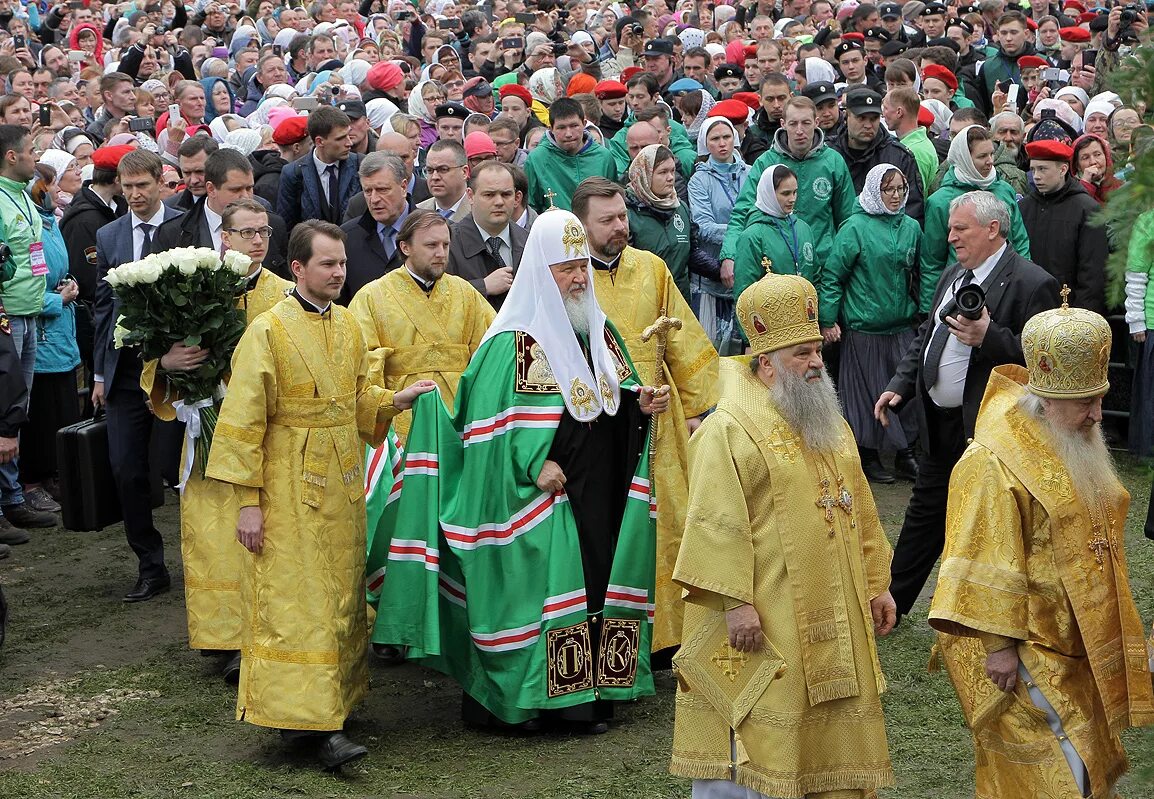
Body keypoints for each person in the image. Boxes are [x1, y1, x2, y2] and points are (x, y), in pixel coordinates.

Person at [372, 210, 670, 734]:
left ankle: (587, 697)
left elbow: (609, 399)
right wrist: (535, 464)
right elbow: (486, 431)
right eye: (564, 268)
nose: (579, 277)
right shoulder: (509, 343)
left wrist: (638, 405)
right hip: (537, 495)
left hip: (596, 488)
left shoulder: (600, 330)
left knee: (595, 588)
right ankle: (521, 701)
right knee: (539, 597)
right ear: (539, 270)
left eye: (582, 265)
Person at [204, 220, 435, 769]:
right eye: (327, 264)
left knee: (340, 596)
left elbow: (357, 399)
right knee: (296, 602)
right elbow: (242, 420)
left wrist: (395, 400)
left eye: (342, 263)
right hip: (284, 487)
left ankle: (338, 701)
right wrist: (249, 502)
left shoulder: (351, 325)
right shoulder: (268, 330)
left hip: (342, 485)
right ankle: (303, 723)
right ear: (298, 268)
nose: (338, 272)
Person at [670, 272, 896, 799]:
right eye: (801, 353)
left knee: (833, 734)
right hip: (767, 612)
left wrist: (876, 582)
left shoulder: (828, 421)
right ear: (766, 362)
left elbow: (858, 508)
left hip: (836, 608)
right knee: (762, 725)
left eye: (817, 348)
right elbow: (711, 522)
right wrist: (735, 604)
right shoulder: (730, 428)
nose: (817, 362)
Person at [929, 304, 1154, 797]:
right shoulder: (992, 460)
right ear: (1046, 399)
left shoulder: (1073, 439)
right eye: (1086, 403)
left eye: (1099, 399)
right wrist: (999, 648)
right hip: (1025, 650)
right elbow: (981, 556)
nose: (1098, 414)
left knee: (1087, 762)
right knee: (1050, 770)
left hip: (1079, 643)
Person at [875, 191, 1059, 620]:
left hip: (991, 430)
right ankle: (891, 605)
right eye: (951, 228)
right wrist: (901, 383)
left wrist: (989, 337)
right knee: (924, 514)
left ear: (992, 229)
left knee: (990, 522)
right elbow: (927, 334)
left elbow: (1045, 361)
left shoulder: (1033, 283)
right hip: (939, 421)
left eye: (961, 228)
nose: (951, 236)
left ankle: (995, 615)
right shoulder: (955, 274)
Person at [142, 199, 291, 681]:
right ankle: (223, 635)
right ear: (223, 238)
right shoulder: (196, 290)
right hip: (208, 430)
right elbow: (157, 359)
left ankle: (267, 627)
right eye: (246, 233)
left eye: (264, 233)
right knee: (212, 533)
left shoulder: (288, 295)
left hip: (270, 433)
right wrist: (167, 365)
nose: (256, 242)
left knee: (266, 532)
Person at [572, 176, 718, 657]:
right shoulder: (571, 277)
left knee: (669, 518)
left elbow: (682, 335)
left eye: (622, 217)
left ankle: (668, 634)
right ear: (581, 224)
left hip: (660, 416)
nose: (620, 227)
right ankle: (616, 632)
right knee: (614, 521)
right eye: (607, 220)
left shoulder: (651, 268)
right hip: (600, 422)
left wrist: (700, 408)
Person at [94, 149, 184, 601]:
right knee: (126, 469)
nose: (134, 195)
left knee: (177, 469)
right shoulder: (108, 235)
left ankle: (209, 559)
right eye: (127, 188)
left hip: (177, 373)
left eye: (142, 186)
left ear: (160, 182)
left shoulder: (184, 226)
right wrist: (97, 374)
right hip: (126, 374)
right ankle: (151, 564)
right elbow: (103, 309)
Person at [350, 209, 494, 442]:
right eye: (431, 245)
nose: (441, 253)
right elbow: (360, 362)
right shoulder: (371, 297)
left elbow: (492, 348)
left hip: (461, 414)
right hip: (403, 415)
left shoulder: (466, 293)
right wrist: (389, 399)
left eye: (445, 245)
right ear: (405, 248)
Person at [820, 164, 922, 484]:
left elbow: (921, 273)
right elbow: (833, 276)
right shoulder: (855, 227)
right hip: (864, 325)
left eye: (900, 189)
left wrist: (925, 310)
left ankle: (906, 455)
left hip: (901, 323)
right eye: (887, 189)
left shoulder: (911, 228)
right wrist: (828, 318)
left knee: (905, 390)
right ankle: (868, 456)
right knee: (864, 395)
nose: (895, 196)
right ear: (874, 190)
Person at [720, 98, 856, 280]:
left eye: (806, 123)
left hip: (824, 268)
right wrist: (729, 254)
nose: (799, 130)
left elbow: (847, 219)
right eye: (793, 124)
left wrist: (841, 262)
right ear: (783, 124)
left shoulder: (833, 161)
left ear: (816, 122)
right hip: (775, 268)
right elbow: (743, 211)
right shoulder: (766, 162)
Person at [0, 125, 56, 537]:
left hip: (29, 312)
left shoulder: (24, 195)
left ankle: (12, 499)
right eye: (31, 150)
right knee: (3, 407)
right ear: (10, 157)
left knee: (16, 410)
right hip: (7, 318)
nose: (37, 156)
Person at [918, 125, 1031, 315]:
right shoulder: (940, 201)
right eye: (981, 157)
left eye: (991, 154)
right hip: (962, 293)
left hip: (1005, 288)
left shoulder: (1004, 191)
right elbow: (932, 261)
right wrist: (931, 310)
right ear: (964, 158)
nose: (990, 162)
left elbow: (1020, 241)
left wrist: (1025, 284)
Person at [21, 164, 79, 509]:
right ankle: (31, 483)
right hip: (40, 333)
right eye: (52, 183)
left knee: (60, 410)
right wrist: (58, 299)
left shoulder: (49, 222)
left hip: (60, 333)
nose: (58, 190)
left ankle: (54, 476)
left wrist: (68, 284)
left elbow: (54, 268)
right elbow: (23, 286)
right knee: (38, 416)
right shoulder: (31, 228)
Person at [152, 148, 288, 276]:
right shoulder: (172, 233)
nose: (246, 196)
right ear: (211, 189)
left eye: (249, 188)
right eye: (236, 190)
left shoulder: (273, 225)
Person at [59, 144, 129, 377]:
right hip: (97, 318)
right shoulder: (85, 219)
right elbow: (89, 277)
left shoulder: (115, 208)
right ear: (117, 179)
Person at [1018, 139, 1107, 315]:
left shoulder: (1086, 209)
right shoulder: (1023, 208)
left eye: (1043, 169)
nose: (1036, 176)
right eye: (1033, 169)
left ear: (1063, 169)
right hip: (1028, 308)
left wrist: (1081, 316)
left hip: (1070, 310)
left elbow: (1093, 272)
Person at [688, 117, 748, 353]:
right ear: (705, 144)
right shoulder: (699, 180)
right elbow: (703, 225)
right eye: (715, 139)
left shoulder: (750, 174)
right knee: (712, 349)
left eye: (726, 137)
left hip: (747, 269)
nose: (722, 143)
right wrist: (744, 233)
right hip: (711, 276)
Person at [828, 88, 925, 223]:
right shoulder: (829, 154)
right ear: (846, 115)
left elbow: (912, 210)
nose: (868, 125)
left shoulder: (899, 156)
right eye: (861, 118)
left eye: (874, 119)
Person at [732, 166, 818, 309]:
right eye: (785, 194)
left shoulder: (803, 228)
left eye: (795, 192)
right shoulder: (752, 236)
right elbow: (744, 295)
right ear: (769, 193)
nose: (792, 199)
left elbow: (816, 275)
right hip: (772, 325)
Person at [446, 161, 528, 310]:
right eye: (489, 195)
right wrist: (483, 287)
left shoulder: (529, 241)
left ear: (517, 198)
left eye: (506, 194)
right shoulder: (448, 244)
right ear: (470, 196)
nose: (499, 202)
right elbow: (436, 298)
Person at [625, 145, 695, 303]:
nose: (671, 177)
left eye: (672, 171)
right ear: (645, 174)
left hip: (681, 301)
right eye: (663, 172)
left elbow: (692, 254)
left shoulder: (680, 207)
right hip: (644, 303)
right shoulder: (627, 213)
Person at [524, 98, 618, 212]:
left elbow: (613, 201)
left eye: (574, 126)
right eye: (561, 127)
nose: (568, 134)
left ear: (584, 124)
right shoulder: (537, 159)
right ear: (551, 128)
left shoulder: (604, 157)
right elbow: (530, 206)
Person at [277, 106, 363, 230]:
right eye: (340, 138)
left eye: (348, 135)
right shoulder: (293, 173)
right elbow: (287, 227)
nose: (349, 143)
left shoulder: (361, 165)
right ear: (320, 141)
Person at [339, 153, 410, 303]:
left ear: (404, 187)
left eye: (382, 189)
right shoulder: (347, 238)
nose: (374, 199)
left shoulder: (432, 233)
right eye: (368, 191)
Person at [882, 87, 938, 198]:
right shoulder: (920, 143)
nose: (883, 114)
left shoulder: (914, 152)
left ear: (899, 112)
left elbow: (915, 197)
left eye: (885, 108)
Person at [416, 140, 472, 222]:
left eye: (443, 169)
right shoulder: (417, 213)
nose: (434, 177)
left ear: (464, 172)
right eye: (430, 170)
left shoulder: (480, 212)